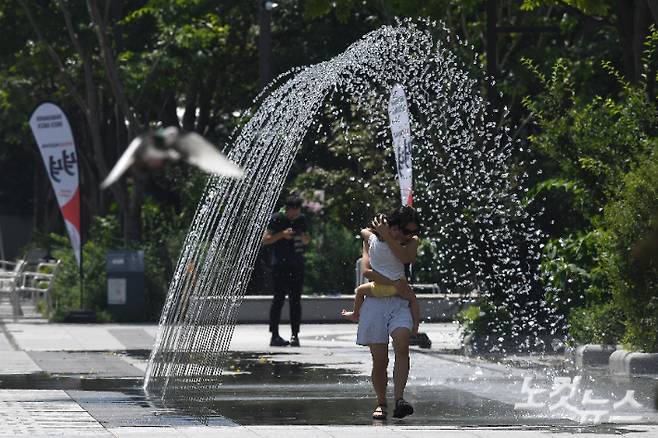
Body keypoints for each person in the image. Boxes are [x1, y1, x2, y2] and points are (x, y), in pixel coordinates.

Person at [355, 206, 420, 420]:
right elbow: (367, 271)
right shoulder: (372, 240)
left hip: (399, 303)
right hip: (375, 302)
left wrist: (388, 237)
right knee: (380, 360)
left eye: (411, 231)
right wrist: (393, 283)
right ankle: (381, 402)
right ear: (392, 226)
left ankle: (399, 399)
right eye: (404, 230)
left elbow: (405, 259)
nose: (407, 235)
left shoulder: (411, 242)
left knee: (402, 343)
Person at [340, 215, 420, 331]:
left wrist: (377, 229)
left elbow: (363, 231)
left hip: (379, 287)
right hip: (399, 287)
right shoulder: (397, 244)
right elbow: (406, 255)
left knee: (360, 290)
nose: (398, 233)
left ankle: (355, 314)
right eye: (394, 229)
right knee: (412, 300)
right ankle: (416, 325)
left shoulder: (373, 240)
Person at [262, 195, 310, 347]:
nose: (295, 216)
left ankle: (295, 335)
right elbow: (266, 239)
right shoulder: (277, 218)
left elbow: (307, 239)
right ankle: (274, 335)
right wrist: (282, 234)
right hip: (280, 266)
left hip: (297, 265)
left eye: (297, 212)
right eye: (293, 213)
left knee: (296, 301)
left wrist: (303, 237)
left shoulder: (301, 219)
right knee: (278, 300)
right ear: (288, 210)